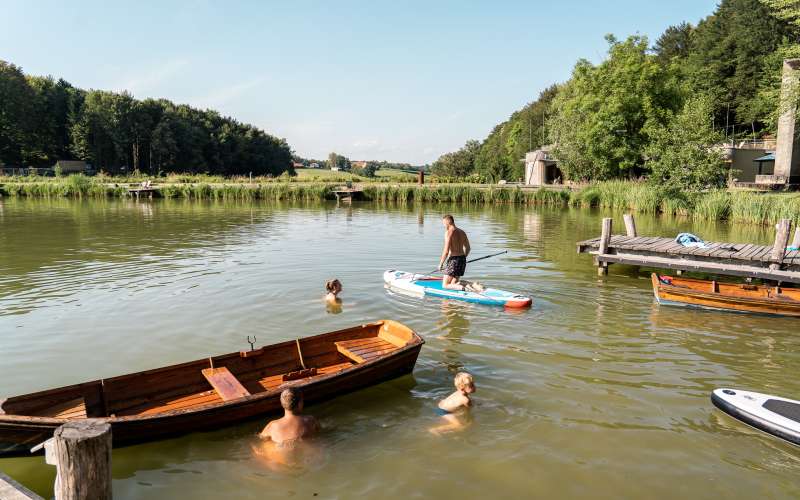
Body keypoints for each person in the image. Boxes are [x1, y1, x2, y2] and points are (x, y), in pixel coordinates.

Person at [438, 215, 471, 291]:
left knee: (445, 285)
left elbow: (446, 251)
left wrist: (441, 264)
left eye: (444, 223)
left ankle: (465, 288)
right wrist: (463, 258)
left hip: (454, 260)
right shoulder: (462, 232)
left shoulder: (448, 233)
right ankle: (463, 287)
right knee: (453, 284)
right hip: (462, 259)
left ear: (447, 222)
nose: (443, 225)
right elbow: (468, 248)